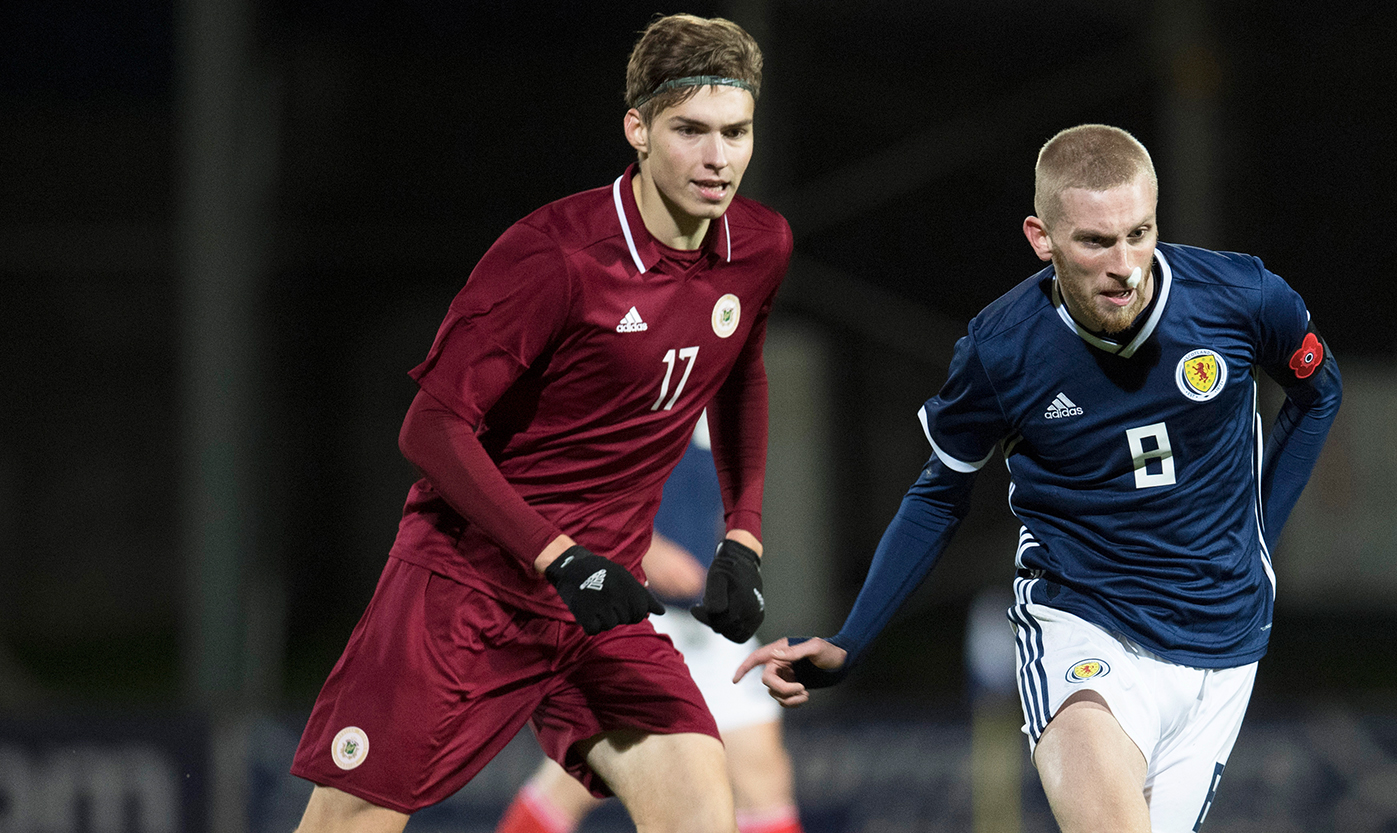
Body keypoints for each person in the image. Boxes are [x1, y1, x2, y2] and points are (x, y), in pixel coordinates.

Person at [739, 125, 1342, 833]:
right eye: (1095, 242)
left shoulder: (1241, 296)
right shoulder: (1002, 350)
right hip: (1085, 625)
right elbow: (938, 495)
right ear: (1041, 238)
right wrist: (851, 640)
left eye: (1139, 233)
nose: (1125, 265)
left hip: (1224, 642)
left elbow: (1318, 393)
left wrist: (1258, 536)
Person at [290, 14, 791, 833]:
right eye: (690, 130)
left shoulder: (758, 246)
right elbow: (430, 427)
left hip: (602, 607)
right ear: (637, 130)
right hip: (467, 590)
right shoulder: (554, 256)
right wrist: (560, 557)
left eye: (734, 132)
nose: (717, 157)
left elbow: (741, 376)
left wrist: (744, 536)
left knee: (702, 808)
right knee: (349, 821)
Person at [497, 419, 803, 833]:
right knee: (579, 782)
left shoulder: (724, 387)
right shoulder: (633, 382)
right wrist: (644, 549)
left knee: (763, 778)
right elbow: (563, 468)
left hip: (702, 620)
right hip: (628, 605)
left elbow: (715, 488)